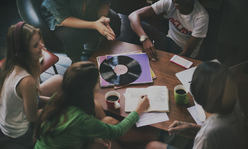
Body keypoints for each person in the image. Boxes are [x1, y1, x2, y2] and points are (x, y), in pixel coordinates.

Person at [34, 61, 158, 149]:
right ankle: (152, 137)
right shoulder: (81, 120)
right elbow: (117, 131)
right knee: (108, 125)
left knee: (104, 120)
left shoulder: (59, 97)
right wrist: (138, 109)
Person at [146, 61, 246, 149]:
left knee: (152, 146)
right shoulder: (233, 102)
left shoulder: (206, 136)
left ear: (197, 94)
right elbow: (221, 131)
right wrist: (191, 126)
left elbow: (211, 132)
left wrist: (202, 130)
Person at [0, 22, 62, 147]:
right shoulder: (27, 81)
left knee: (58, 79)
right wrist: (57, 106)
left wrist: (53, 100)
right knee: (62, 114)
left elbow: (36, 97)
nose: (42, 45)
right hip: (21, 132)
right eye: (35, 45)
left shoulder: (12, 64)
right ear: (22, 52)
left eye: (39, 40)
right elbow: (32, 117)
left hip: (15, 113)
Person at [40, 0, 121, 63]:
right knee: (72, 36)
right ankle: (76, 62)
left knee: (114, 19)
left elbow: (103, 2)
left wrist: (102, 18)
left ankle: (98, 50)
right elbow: (63, 18)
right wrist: (95, 25)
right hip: (59, 16)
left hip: (87, 10)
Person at [129, 0, 209, 61]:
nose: (175, 1)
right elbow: (133, 15)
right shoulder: (170, 2)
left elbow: (186, 53)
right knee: (142, 27)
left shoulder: (201, 17)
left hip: (183, 52)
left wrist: (165, 62)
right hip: (168, 41)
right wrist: (144, 39)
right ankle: (130, 59)